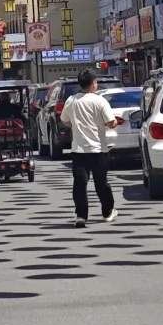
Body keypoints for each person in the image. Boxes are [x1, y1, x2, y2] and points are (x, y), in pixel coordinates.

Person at [60, 69, 119, 227]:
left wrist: (74, 125)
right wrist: (115, 123)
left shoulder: (71, 100)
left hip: (79, 150)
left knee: (80, 184)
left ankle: (81, 216)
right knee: (101, 183)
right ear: (93, 84)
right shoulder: (100, 101)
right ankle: (108, 211)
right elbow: (111, 122)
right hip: (99, 149)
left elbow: (64, 119)